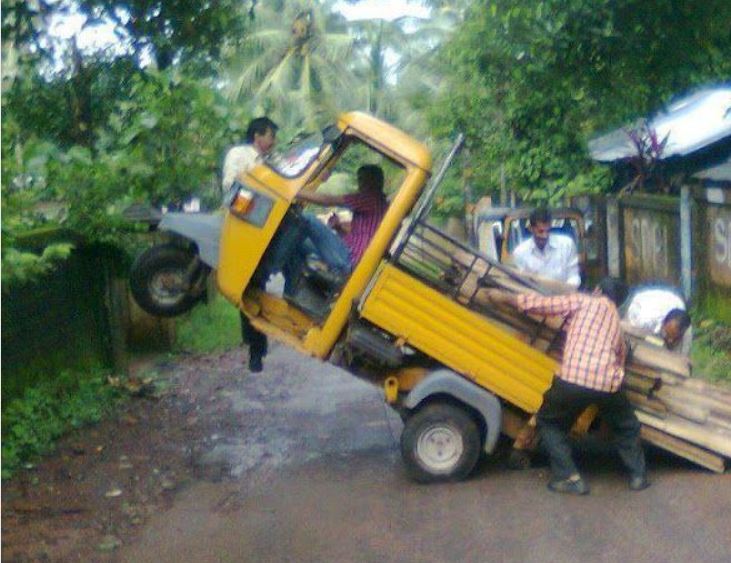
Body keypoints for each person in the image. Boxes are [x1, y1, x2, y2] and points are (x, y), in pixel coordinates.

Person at [486, 278, 648, 495]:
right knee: (627, 427)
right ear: (618, 302)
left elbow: (542, 306)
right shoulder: (616, 323)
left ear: (597, 289)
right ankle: (638, 476)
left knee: (549, 423)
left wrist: (504, 297)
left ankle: (568, 477)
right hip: (608, 383)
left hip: (573, 379)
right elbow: (621, 355)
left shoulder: (582, 301)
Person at [221, 117, 279, 373]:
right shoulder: (239, 155)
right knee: (246, 291)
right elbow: (232, 187)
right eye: (270, 136)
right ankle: (255, 348)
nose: (273, 141)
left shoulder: (271, 162)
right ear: (258, 136)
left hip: (263, 232)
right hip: (243, 230)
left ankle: (258, 347)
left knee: (257, 289)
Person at [296, 164, 388, 272]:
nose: (360, 184)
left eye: (362, 179)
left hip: (349, 259)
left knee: (309, 218)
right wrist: (338, 227)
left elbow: (327, 200)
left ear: (373, 181)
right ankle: (293, 285)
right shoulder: (380, 204)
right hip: (348, 255)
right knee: (298, 244)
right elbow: (358, 237)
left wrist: (295, 192)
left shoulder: (370, 199)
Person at [513, 208, 581, 288]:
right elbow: (521, 282)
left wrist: (567, 289)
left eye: (548, 231)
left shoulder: (567, 245)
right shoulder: (520, 252)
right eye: (540, 231)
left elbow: (573, 275)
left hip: (564, 296)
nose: (545, 236)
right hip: (535, 297)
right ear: (531, 229)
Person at [622, 285, 692, 355]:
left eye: (675, 337)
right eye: (667, 335)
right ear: (663, 323)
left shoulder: (682, 315)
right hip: (640, 305)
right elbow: (628, 333)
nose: (670, 341)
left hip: (671, 296)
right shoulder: (642, 320)